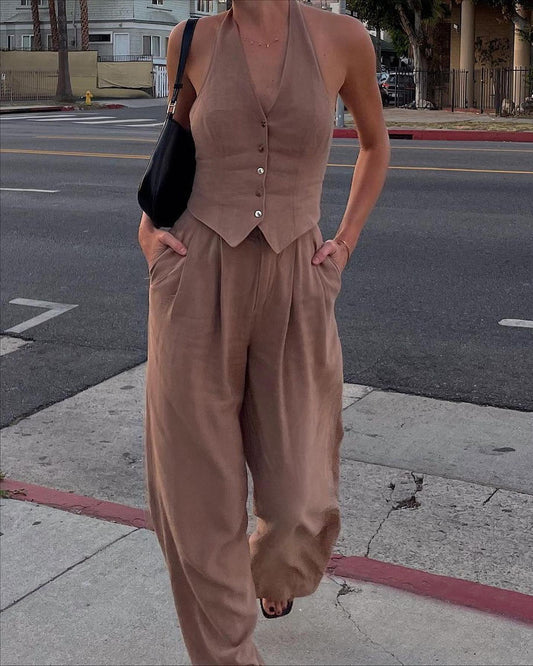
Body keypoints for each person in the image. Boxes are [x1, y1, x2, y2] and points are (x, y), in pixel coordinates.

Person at [138, 0, 390, 663]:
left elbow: (374, 144)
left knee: (300, 494)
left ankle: (268, 572)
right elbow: (174, 147)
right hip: (195, 278)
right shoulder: (190, 38)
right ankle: (227, 653)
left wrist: (344, 243)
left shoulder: (344, 39)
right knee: (196, 497)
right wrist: (149, 236)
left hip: (297, 281)